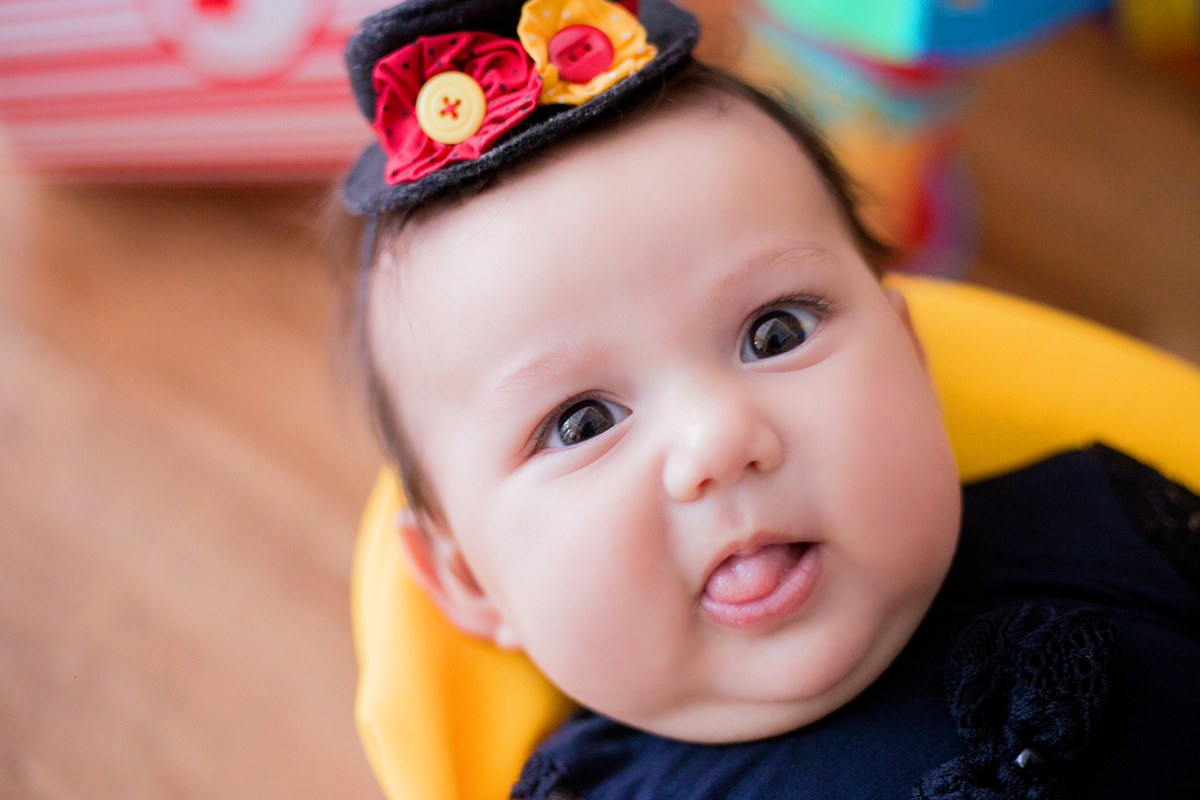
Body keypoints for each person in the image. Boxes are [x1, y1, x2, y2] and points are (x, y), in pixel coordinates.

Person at [332, 0, 1200, 797]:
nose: (717, 439)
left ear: (912, 355)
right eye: (582, 422)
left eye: (775, 334)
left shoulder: (1101, 522)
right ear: (468, 580)